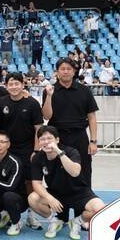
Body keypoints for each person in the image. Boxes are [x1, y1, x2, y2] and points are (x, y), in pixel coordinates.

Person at [0, 72, 43, 229]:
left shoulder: (32, 103)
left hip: (28, 149)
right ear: (6, 86)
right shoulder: (1, 102)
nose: (14, 87)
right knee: (6, 181)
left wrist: (36, 151)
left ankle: (31, 215)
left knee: (29, 182)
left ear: (23, 85)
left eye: (17, 83)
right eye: (10, 84)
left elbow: (38, 129)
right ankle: (7, 212)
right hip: (7, 149)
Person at [28, 126, 105, 240]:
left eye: (49, 138)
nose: (46, 142)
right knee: (32, 199)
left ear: (57, 140)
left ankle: (76, 222)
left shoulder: (71, 152)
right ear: (39, 142)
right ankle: (54, 222)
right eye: (42, 139)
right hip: (56, 193)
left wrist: (59, 152)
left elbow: (75, 172)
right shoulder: (38, 158)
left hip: (78, 192)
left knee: (100, 208)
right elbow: (36, 184)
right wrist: (50, 198)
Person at [42, 58, 99, 187]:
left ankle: (85, 197)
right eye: (62, 69)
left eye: (69, 69)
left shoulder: (84, 90)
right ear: (57, 72)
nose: (66, 72)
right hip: (57, 137)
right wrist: (49, 96)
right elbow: (46, 116)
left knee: (84, 168)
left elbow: (92, 117)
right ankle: (58, 198)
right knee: (58, 169)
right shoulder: (49, 90)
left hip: (79, 136)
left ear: (74, 72)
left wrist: (93, 141)